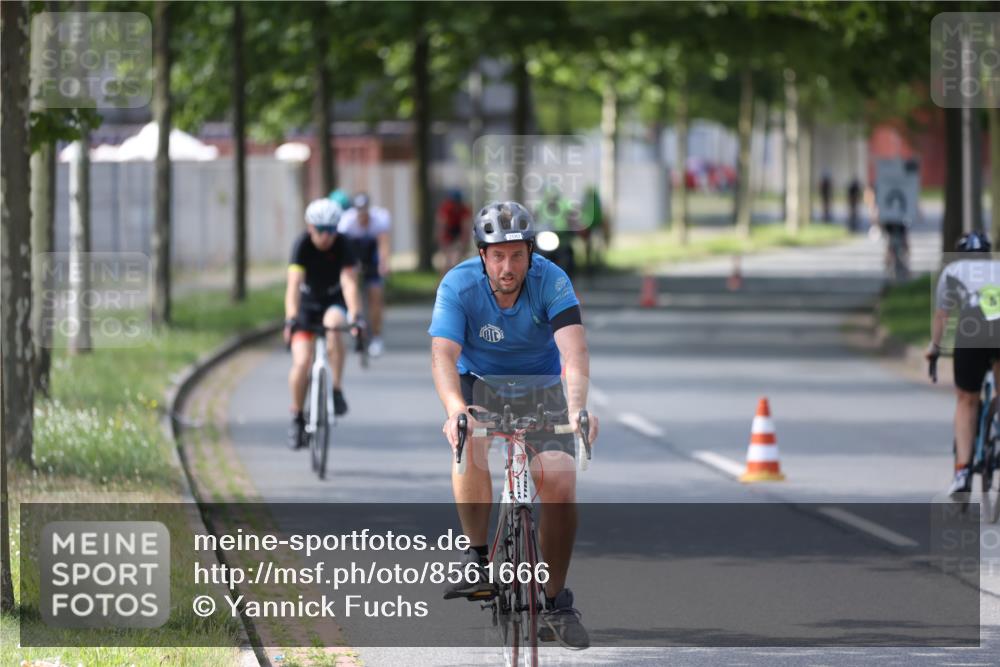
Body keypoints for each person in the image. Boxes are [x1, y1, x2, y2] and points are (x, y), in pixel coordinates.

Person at [428, 200, 600, 650]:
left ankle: (556, 601)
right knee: (471, 443)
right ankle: (476, 556)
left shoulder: (552, 281)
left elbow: (574, 353)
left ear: (530, 253)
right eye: (497, 255)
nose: (508, 266)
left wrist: (577, 407)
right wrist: (454, 409)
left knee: (560, 480)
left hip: (539, 387)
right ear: (482, 255)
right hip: (477, 384)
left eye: (517, 255)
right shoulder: (459, 284)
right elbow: (442, 355)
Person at [925, 232, 999, 499]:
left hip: (974, 325)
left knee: (967, 400)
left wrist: (934, 349)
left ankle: (962, 472)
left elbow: (942, 316)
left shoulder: (952, 269)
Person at [285, 199, 362, 450]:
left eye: (331, 229)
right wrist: (291, 317)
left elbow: (349, 283)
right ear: (310, 227)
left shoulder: (344, 244)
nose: (326, 236)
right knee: (301, 362)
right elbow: (293, 286)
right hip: (307, 305)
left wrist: (355, 315)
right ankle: (297, 416)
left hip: (333, 301)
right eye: (321, 230)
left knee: (334, 326)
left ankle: (336, 389)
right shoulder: (302, 245)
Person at [338, 192, 391, 357]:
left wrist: (383, 264)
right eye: (359, 212)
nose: (362, 216)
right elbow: (342, 249)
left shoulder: (379, 219)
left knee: (376, 297)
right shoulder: (346, 222)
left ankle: (376, 337)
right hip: (353, 254)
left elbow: (383, 245)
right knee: (351, 287)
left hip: (371, 256)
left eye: (364, 212)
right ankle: (355, 319)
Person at [436, 189, 471, 275]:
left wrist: (464, 243)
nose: (455, 206)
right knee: (446, 261)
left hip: (458, 232)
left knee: (456, 260)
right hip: (448, 232)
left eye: (457, 203)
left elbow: (465, 227)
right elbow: (442, 225)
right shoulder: (446, 208)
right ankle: (442, 280)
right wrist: (442, 241)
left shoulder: (464, 209)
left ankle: (455, 278)